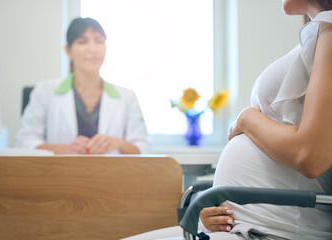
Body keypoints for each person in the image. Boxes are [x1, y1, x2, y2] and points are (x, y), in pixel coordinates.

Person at [124, 1, 332, 239]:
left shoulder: (330, 31)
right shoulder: (319, 33)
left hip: (273, 229)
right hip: (247, 223)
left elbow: (311, 155)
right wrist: (216, 205)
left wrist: (247, 119)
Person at [15, 18, 151, 155]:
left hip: (111, 175)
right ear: (68, 50)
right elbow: (24, 143)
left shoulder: (127, 97)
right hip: (59, 174)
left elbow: (144, 148)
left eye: (99, 41)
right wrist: (65, 149)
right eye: (82, 42)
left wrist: (119, 143)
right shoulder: (44, 92)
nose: (93, 49)